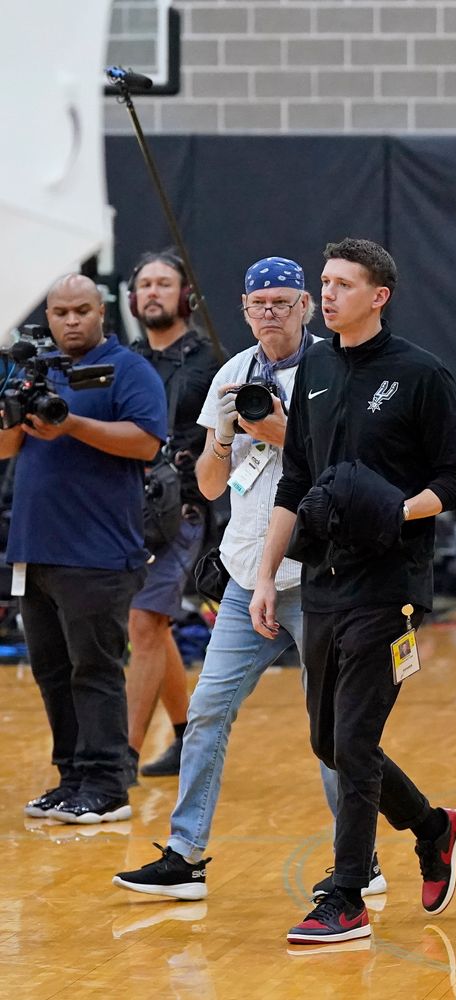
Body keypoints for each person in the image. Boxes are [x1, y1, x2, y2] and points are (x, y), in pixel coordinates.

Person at [112, 256, 370, 900]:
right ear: (243, 309)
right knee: (205, 713)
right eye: (260, 305)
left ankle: (357, 863)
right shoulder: (233, 373)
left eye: (284, 303)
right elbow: (206, 484)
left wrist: (280, 430)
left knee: (332, 730)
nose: (271, 315)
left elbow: (347, 466)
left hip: (317, 579)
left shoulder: (335, 368)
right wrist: (226, 436)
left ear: (308, 306)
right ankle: (185, 854)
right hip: (245, 574)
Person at [250, 238, 456, 945]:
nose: (328, 294)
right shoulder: (313, 366)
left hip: (392, 586)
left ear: (379, 296)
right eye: (324, 282)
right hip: (321, 578)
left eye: (343, 284)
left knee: (354, 736)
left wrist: (397, 510)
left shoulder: (421, 375)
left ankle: (344, 894)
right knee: (329, 738)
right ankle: (434, 827)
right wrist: (266, 574)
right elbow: (294, 482)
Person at [3, 274, 166, 823]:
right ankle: (72, 777)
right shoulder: (35, 371)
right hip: (36, 547)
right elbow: (6, 448)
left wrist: (70, 423)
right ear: (46, 316)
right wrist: (10, 406)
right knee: (51, 669)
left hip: (96, 550)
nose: (70, 321)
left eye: (81, 310)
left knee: (93, 669)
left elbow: (146, 442)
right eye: (59, 312)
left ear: (102, 312)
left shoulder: (129, 369)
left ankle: (108, 783)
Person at [124, 251, 217, 779]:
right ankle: (187, 737)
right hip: (125, 511)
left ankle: (123, 757)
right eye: (145, 285)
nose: (153, 292)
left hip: (183, 510)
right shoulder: (123, 360)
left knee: (143, 621)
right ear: (133, 298)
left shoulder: (212, 361)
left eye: (164, 283)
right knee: (152, 629)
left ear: (185, 296)